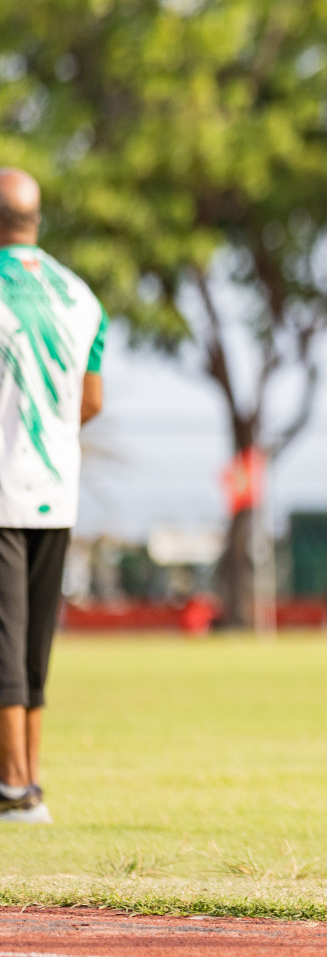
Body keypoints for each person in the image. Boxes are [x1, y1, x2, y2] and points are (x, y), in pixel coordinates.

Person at [0, 168, 108, 824]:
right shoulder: (80, 295)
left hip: (0, 491)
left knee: (2, 644)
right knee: (34, 643)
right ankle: (31, 782)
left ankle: (12, 789)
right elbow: (91, 401)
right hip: (57, 490)